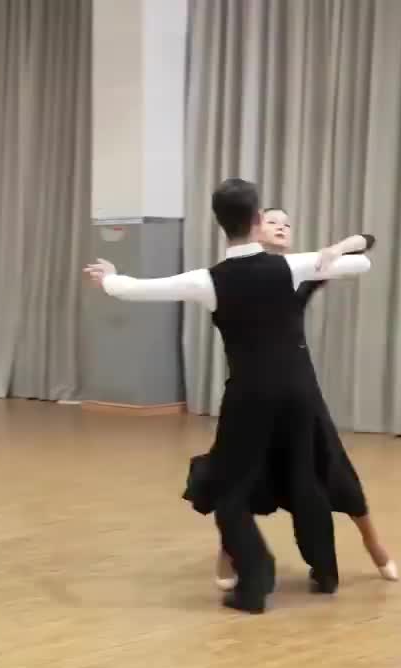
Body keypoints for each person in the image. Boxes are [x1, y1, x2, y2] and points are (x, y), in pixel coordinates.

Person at [84, 178, 372, 614]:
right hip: (298, 392)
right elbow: (362, 263)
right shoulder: (291, 267)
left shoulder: (208, 280)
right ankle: (325, 571)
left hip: (250, 395)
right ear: (257, 221)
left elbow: (137, 289)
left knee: (227, 489)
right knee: (305, 477)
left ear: (221, 223)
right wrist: (336, 250)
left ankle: (255, 580)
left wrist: (110, 278)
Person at [191, 208, 397, 592]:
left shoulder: (301, 270)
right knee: (239, 474)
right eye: (273, 221)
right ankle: (230, 550)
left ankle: (374, 543)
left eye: (287, 224)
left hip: (298, 392)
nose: (282, 227)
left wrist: (336, 249)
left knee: (333, 469)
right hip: (252, 394)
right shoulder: (230, 278)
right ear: (255, 229)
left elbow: (366, 242)